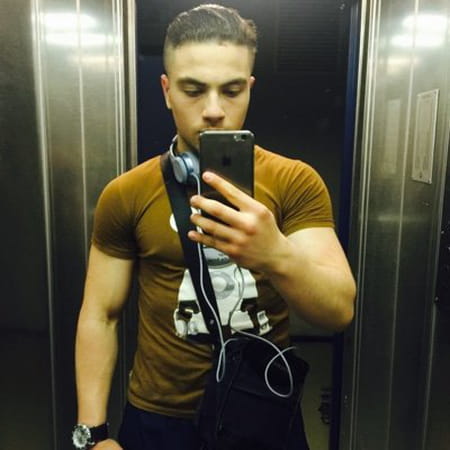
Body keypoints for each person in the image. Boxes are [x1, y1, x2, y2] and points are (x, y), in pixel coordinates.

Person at [73, 4, 356, 450]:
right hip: (159, 417)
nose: (213, 110)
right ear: (166, 91)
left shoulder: (295, 181)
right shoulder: (126, 193)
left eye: (231, 90)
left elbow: (337, 311)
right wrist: (91, 434)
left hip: (262, 406)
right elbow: (100, 313)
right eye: (193, 90)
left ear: (250, 89)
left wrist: (275, 254)